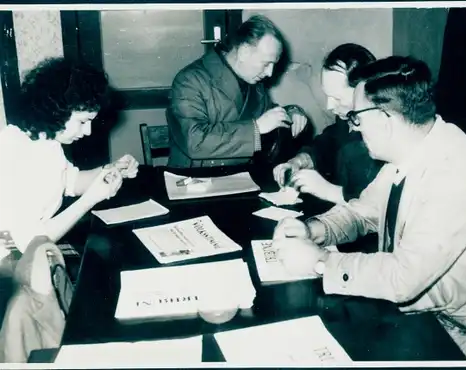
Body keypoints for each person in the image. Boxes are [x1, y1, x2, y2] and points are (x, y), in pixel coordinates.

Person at [272, 56, 466, 360]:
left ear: (385, 118)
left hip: (456, 336)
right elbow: (362, 212)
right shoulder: (412, 151)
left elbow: (402, 279)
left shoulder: (455, 175)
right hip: (413, 315)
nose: (353, 129)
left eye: (356, 118)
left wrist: (321, 262)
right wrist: (314, 229)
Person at [0, 57, 140, 261]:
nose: (88, 131)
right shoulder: (16, 152)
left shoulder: (47, 142)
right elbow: (31, 242)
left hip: (30, 255)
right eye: (83, 121)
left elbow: (71, 181)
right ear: (56, 109)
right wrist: (89, 200)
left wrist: (111, 169)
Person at [167, 15, 309, 169]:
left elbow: (268, 115)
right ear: (243, 53)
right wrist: (256, 128)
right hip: (194, 179)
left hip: (239, 177)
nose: (270, 73)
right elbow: (195, 141)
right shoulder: (189, 80)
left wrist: (292, 112)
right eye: (266, 63)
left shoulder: (253, 81)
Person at [273, 43, 383, 204]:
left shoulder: (383, 135)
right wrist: (299, 161)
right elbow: (328, 142)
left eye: (337, 98)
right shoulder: (347, 118)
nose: (329, 106)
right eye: (327, 95)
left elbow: (374, 206)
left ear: (363, 90)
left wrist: (326, 190)